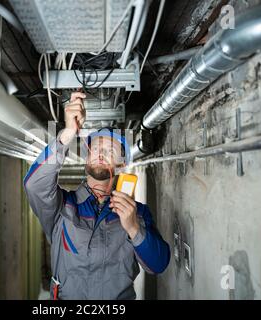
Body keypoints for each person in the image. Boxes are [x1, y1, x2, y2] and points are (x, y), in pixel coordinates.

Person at [23, 92, 170, 300]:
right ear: (87, 157)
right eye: (97, 148)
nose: (101, 153)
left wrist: (133, 228)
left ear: (121, 164)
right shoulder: (62, 207)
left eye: (110, 150)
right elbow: (34, 185)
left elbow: (158, 265)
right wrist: (68, 132)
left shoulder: (137, 213)